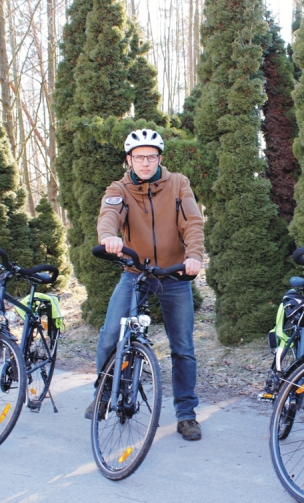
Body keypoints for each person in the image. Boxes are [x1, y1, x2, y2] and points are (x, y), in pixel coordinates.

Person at [87, 128, 205, 442]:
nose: (145, 162)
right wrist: (108, 238)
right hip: (135, 273)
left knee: (183, 348)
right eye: (139, 157)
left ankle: (186, 415)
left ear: (159, 158)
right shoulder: (120, 188)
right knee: (111, 334)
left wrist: (193, 255)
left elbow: (192, 221)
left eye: (151, 156)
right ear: (129, 160)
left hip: (174, 274)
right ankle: (106, 394)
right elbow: (109, 214)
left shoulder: (178, 183)